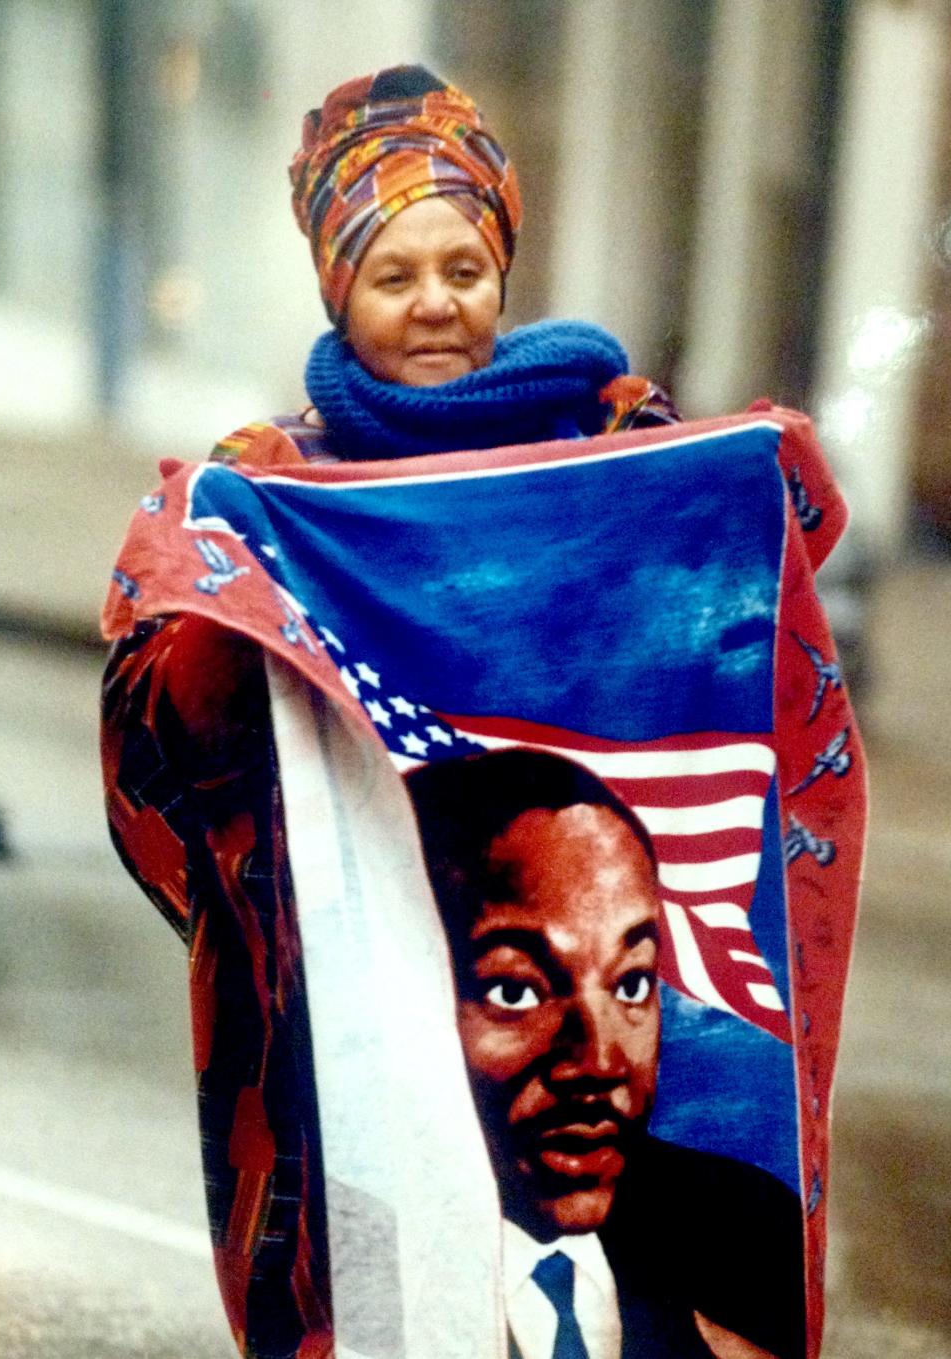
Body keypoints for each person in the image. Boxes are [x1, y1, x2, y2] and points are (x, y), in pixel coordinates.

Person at [101, 63, 819, 1359]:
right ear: (338, 285)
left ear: (503, 268)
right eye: (394, 273)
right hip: (367, 1017)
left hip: (549, 966)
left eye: (466, 265)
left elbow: (712, 630)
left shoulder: (614, 443)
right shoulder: (277, 483)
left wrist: (753, 510)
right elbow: (159, 724)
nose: (437, 302)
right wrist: (221, 634)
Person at [406, 749, 805, 1359]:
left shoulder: (746, 1234)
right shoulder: (334, 1252)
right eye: (514, 990)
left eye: (632, 984)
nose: (600, 1062)